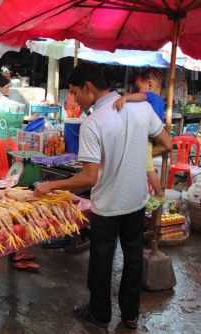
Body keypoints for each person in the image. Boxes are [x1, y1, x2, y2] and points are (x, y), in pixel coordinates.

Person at [35, 63, 172, 330]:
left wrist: (51, 186)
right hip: (136, 201)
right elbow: (167, 144)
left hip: (107, 208)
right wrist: (140, 155)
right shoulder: (141, 107)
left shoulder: (93, 122)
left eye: (75, 92)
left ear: (88, 88)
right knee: (133, 259)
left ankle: (99, 314)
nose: (74, 99)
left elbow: (88, 177)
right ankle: (131, 315)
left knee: (102, 262)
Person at [114, 68, 165, 197]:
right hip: (153, 135)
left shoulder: (151, 97)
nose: (138, 91)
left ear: (149, 84)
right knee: (143, 165)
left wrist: (125, 97)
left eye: (139, 87)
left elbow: (142, 96)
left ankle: (159, 193)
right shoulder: (160, 100)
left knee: (148, 167)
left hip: (147, 137)